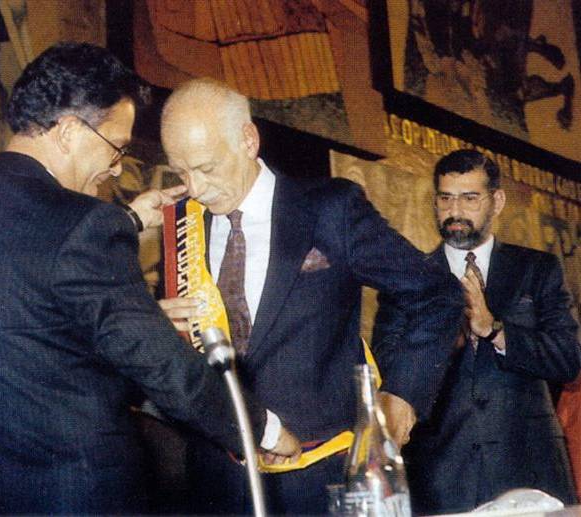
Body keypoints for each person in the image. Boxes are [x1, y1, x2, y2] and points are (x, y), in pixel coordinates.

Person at [0, 42, 299, 515]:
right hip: (80, 494)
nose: (115, 168)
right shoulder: (85, 226)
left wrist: (126, 220)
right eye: (117, 147)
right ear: (68, 131)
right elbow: (167, 371)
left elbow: (33, 288)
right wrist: (266, 430)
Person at [158, 78, 465, 515]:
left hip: (319, 474)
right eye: (181, 172)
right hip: (217, 479)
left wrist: (402, 397)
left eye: (207, 168)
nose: (195, 187)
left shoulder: (329, 209)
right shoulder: (181, 231)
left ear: (248, 140)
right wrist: (159, 329)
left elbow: (436, 294)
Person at [374, 149, 581, 515]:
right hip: (439, 478)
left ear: (496, 201)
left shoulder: (537, 268)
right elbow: (386, 368)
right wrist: (443, 338)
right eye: (445, 198)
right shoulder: (407, 279)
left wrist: (495, 330)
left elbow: (567, 359)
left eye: (469, 198)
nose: (455, 211)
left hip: (531, 471)